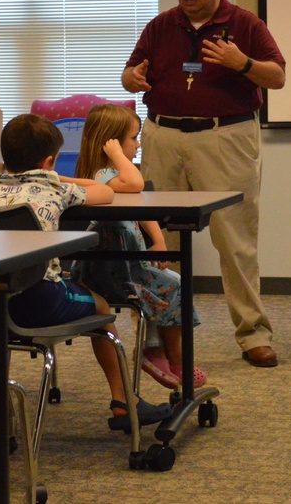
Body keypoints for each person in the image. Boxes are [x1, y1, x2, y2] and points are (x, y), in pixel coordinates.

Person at [121, 0, 287, 367]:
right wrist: (132, 79)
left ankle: (253, 335)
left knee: (235, 241)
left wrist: (242, 63)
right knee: (158, 237)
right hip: (163, 135)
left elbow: (278, 77)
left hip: (225, 136)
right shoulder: (161, 25)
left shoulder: (246, 24)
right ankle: (160, 333)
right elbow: (128, 73)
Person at [0, 113, 172, 430]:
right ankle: (124, 400)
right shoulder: (55, 188)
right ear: (51, 160)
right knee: (102, 306)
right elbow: (105, 193)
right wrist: (59, 178)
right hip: (38, 300)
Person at [73, 103, 207, 389]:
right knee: (174, 286)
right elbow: (136, 184)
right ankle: (169, 356)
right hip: (110, 273)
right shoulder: (104, 175)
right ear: (110, 143)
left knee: (167, 285)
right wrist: (119, 156)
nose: (137, 145)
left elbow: (140, 199)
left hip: (125, 267)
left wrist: (158, 239)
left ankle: (158, 352)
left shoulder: (112, 175)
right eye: (133, 138)